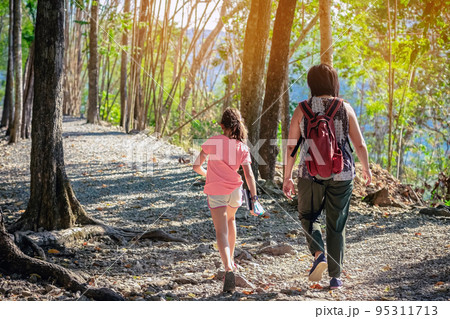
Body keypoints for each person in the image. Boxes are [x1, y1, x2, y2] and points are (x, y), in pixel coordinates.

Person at [282, 64, 372, 290]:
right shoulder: (345, 107)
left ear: (311, 83)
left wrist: (287, 176)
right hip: (342, 173)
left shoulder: (302, 109)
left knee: (308, 217)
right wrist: (366, 169)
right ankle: (335, 278)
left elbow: (291, 146)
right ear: (333, 82)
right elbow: (359, 144)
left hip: (309, 173)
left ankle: (319, 253)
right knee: (336, 224)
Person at [193, 108, 259, 293]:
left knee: (220, 231)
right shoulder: (242, 147)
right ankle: (232, 261)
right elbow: (249, 175)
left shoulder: (214, 141)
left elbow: (196, 166)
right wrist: (253, 198)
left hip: (217, 192)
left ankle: (228, 267)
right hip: (235, 192)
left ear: (222, 125)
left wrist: (209, 175)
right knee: (231, 221)